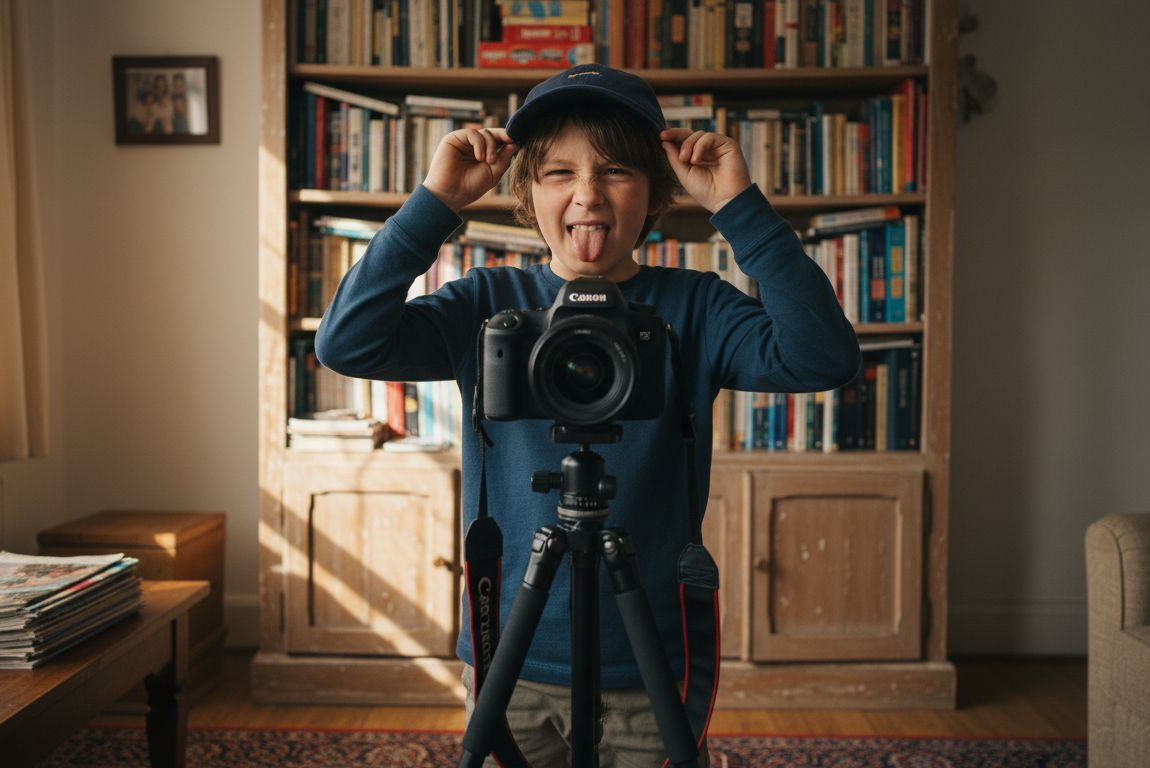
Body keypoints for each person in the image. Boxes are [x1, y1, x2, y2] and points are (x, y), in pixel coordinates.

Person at [314, 64, 860, 767]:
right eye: (559, 174)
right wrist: (435, 202)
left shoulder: (695, 307)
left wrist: (738, 206)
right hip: (510, 647)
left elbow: (822, 358)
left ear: (658, 189)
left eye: (617, 172)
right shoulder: (489, 303)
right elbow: (347, 343)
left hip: (652, 656)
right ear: (527, 192)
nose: (588, 195)